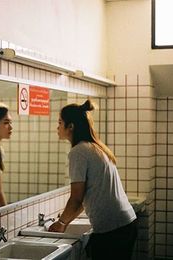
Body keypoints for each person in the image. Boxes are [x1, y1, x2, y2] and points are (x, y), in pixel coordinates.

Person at [48, 99, 137, 260]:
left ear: (71, 126)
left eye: (60, 122)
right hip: (125, 223)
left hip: (112, 228)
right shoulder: (95, 147)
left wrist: (61, 222)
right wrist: (65, 222)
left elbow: (76, 198)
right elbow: (84, 199)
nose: (57, 127)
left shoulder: (78, 152)